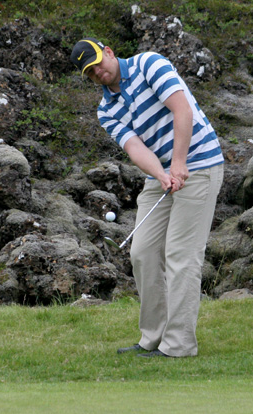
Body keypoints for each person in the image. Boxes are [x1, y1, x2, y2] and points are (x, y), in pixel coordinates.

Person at [71, 38, 224, 358]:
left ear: (109, 52)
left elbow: (182, 110)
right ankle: (152, 337)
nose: (98, 72)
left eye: (98, 63)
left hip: (200, 164)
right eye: (90, 72)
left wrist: (179, 162)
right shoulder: (106, 110)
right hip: (161, 174)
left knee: (181, 255)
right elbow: (135, 148)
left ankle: (179, 345)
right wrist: (162, 174)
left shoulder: (149, 64)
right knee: (142, 252)